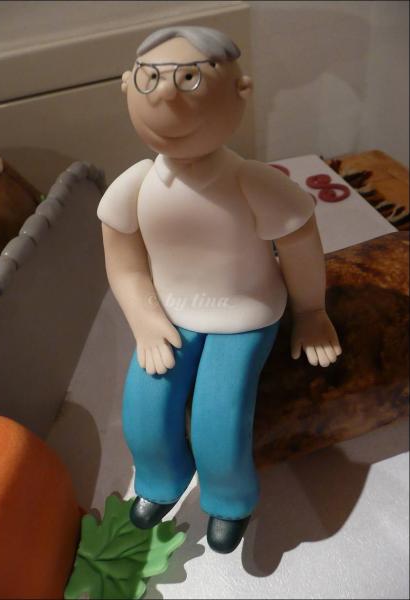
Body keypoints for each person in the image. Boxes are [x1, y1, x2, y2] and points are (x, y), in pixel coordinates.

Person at [97, 26, 342, 554]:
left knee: (219, 414)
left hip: (244, 314)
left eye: (189, 78)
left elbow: (299, 246)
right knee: (143, 405)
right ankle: (160, 481)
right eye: (151, 79)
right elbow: (124, 264)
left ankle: (229, 499)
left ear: (240, 91)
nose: (166, 96)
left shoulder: (252, 181)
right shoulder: (134, 185)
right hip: (169, 313)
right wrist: (144, 319)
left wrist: (311, 312)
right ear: (126, 86)